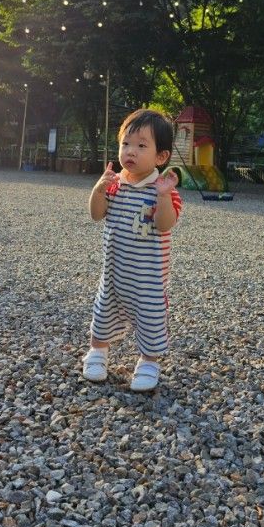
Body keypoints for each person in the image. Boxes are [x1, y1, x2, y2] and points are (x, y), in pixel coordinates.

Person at [83, 108, 182, 391]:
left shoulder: (163, 189)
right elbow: (96, 214)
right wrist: (99, 189)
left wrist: (163, 196)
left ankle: (148, 361)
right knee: (103, 312)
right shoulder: (116, 185)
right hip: (115, 270)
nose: (131, 152)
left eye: (141, 146)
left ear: (160, 157)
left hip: (148, 277)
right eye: (126, 144)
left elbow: (165, 225)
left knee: (151, 317)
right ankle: (97, 352)